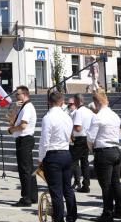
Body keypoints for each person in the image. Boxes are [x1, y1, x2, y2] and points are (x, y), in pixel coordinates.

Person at [38, 91, 77, 222]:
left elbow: (44, 141)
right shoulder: (67, 117)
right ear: (61, 102)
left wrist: (40, 158)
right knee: (68, 189)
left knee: (56, 192)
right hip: (66, 153)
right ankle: (72, 217)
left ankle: (58, 219)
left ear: (49, 102)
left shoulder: (48, 118)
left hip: (53, 155)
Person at [87, 91, 121, 221]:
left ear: (96, 103)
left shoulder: (98, 117)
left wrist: (93, 150)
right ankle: (119, 211)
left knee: (106, 185)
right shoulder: (115, 115)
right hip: (115, 149)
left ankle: (107, 213)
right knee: (116, 183)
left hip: (104, 151)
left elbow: (90, 138)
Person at [7, 86, 38, 207]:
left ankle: (26, 198)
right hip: (23, 140)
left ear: (25, 95)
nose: (16, 97)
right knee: (28, 169)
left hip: (25, 140)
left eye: (18, 94)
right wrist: (15, 108)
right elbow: (12, 120)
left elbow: (23, 126)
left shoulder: (28, 108)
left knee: (24, 170)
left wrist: (11, 130)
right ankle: (32, 196)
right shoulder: (22, 107)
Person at [70, 93, 94, 193]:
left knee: (73, 162)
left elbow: (78, 128)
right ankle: (86, 185)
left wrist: (70, 129)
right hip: (87, 138)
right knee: (85, 163)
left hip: (79, 139)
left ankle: (73, 182)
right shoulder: (89, 111)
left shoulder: (79, 112)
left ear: (76, 101)